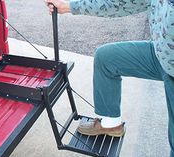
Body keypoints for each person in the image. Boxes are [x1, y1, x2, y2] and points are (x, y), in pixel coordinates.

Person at [45, 0, 174, 156]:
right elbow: (124, 3)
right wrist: (69, 7)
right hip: (161, 53)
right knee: (106, 59)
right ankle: (111, 124)